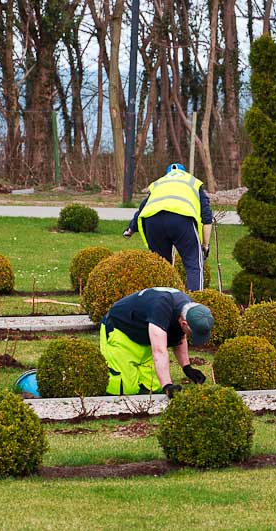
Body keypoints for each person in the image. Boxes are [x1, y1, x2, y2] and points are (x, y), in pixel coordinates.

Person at [99, 287, 214, 398]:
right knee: (125, 389)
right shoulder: (160, 309)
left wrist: (187, 368)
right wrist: (168, 386)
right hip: (121, 332)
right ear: (184, 323)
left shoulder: (189, 310)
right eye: (192, 333)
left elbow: (180, 338)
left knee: (154, 386)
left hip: (144, 339)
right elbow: (159, 351)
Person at [123, 163, 213, 291]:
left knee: (162, 267)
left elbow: (144, 208)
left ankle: (162, 305)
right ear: (185, 173)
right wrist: (205, 245)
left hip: (152, 221)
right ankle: (195, 303)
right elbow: (207, 216)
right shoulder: (192, 182)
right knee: (193, 264)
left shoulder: (160, 183)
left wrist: (131, 229)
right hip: (181, 219)